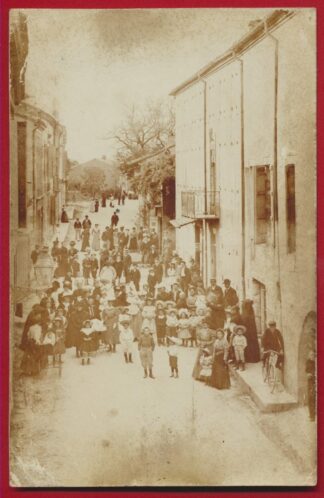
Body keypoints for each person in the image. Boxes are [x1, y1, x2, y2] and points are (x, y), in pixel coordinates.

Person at [306, 350, 316, 421]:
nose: (312, 356)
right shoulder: (308, 362)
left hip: (315, 380)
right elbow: (307, 371)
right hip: (311, 382)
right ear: (309, 356)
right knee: (311, 397)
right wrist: (309, 374)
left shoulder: (315, 363)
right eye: (311, 355)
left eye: (313, 355)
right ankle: (312, 415)